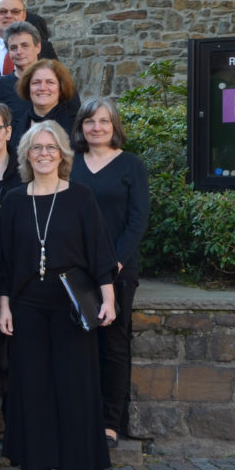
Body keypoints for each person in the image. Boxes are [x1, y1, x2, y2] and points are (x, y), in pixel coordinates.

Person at [0, 121, 117, 470]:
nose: (44, 153)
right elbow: (5, 261)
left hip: (71, 303)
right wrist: (4, 306)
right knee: (34, 387)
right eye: (36, 147)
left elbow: (100, 253)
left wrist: (108, 299)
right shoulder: (15, 200)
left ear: (63, 154)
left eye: (51, 147)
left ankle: (70, 469)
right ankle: (40, 467)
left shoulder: (80, 196)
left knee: (72, 386)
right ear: (26, 155)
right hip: (28, 302)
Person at [70, 98, 150, 449]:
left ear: (115, 126)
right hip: (75, 270)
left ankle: (110, 422)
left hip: (118, 269)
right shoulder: (69, 165)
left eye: (104, 121)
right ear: (81, 127)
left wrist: (113, 262)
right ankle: (81, 415)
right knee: (78, 345)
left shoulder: (132, 166)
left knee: (113, 345)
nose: (97, 128)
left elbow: (138, 220)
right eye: (90, 121)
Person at [11, 59, 79, 148]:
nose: (42, 88)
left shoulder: (76, 126)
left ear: (61, 89)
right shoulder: (15, 125)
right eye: (36, 82)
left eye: (50, 82)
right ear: (28, 88)